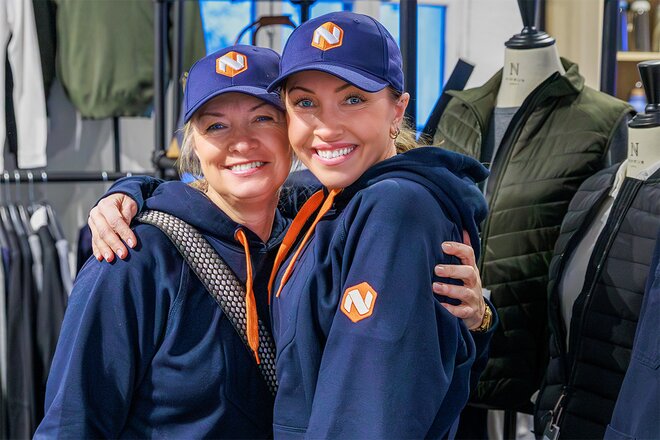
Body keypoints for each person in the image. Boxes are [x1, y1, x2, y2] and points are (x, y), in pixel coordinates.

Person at [35, 45, 290, 438]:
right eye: (216, 126)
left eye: (263, 118)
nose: (242, 142)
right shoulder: (132, 257)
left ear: (292, 131)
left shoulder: (310, 242)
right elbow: (71, 424)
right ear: (194, 145)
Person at [261, 12, 494, 438]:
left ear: (397, 110)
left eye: (353, 99)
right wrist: (138, 193)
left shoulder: (396, 209)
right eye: (305, 103)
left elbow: (369, 413)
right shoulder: (332, 199)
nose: (327, 127)